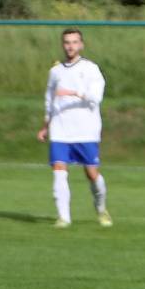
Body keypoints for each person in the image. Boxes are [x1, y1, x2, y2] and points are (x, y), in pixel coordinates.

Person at [38, 28, 111, 228]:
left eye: (74, 42)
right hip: (61, 129)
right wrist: (46, 125)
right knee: (59, 169)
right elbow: (49, 100)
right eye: (67, 42)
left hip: (85, 130)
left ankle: (101, 208)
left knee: (92, 174)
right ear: (63, 45)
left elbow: (96, 97)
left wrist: (73, 92)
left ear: (81, 45)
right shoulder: (55, 72)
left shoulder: (91, 69)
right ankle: (64, 217)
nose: (70, 46)